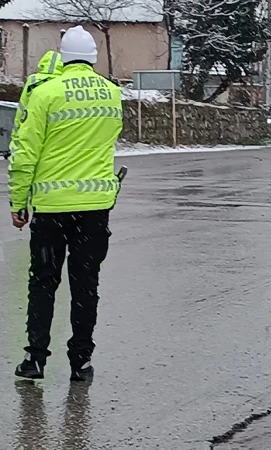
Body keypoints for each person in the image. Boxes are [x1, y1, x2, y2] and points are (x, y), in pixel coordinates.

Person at [7, 25, 123, 381]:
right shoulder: (112, 94)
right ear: (92, 58)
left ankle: (36, 359)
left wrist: (18, 200)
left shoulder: (45, 93)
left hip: (52, 208)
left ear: (62, 55)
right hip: (95, 208)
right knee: (86, 285)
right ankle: (81, 363)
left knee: (43, 282)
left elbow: (24, 153)